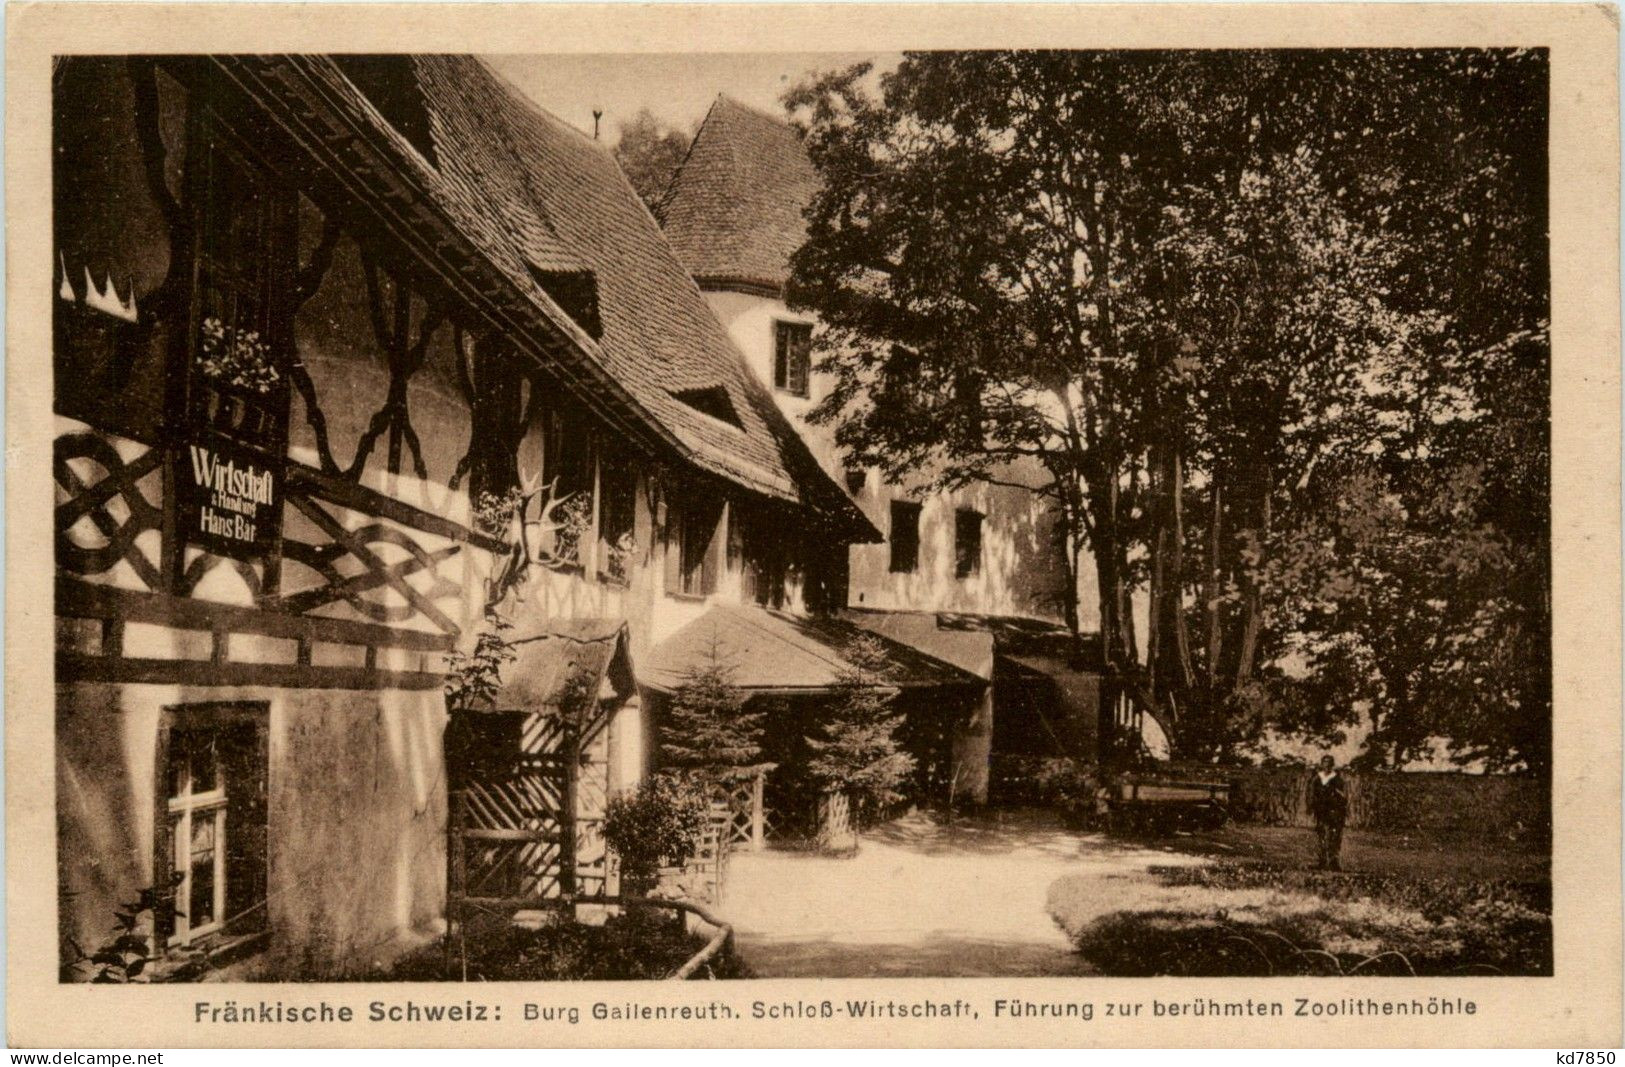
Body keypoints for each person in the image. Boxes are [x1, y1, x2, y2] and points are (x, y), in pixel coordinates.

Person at [1306, 754, 1348, 871]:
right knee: (1322, 835)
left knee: (1334, 836)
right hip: (1321, 811)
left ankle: (1334, 862)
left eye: (1329, 762)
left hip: (1334, 811)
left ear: (1332, 764)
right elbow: (1311, 793)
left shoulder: (1337, 779)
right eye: (1325, 762)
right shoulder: (1317, 778)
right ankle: (1323, 861)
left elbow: (1343, 796)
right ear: (1322, 764)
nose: (1327, 765)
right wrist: (1311, 806)